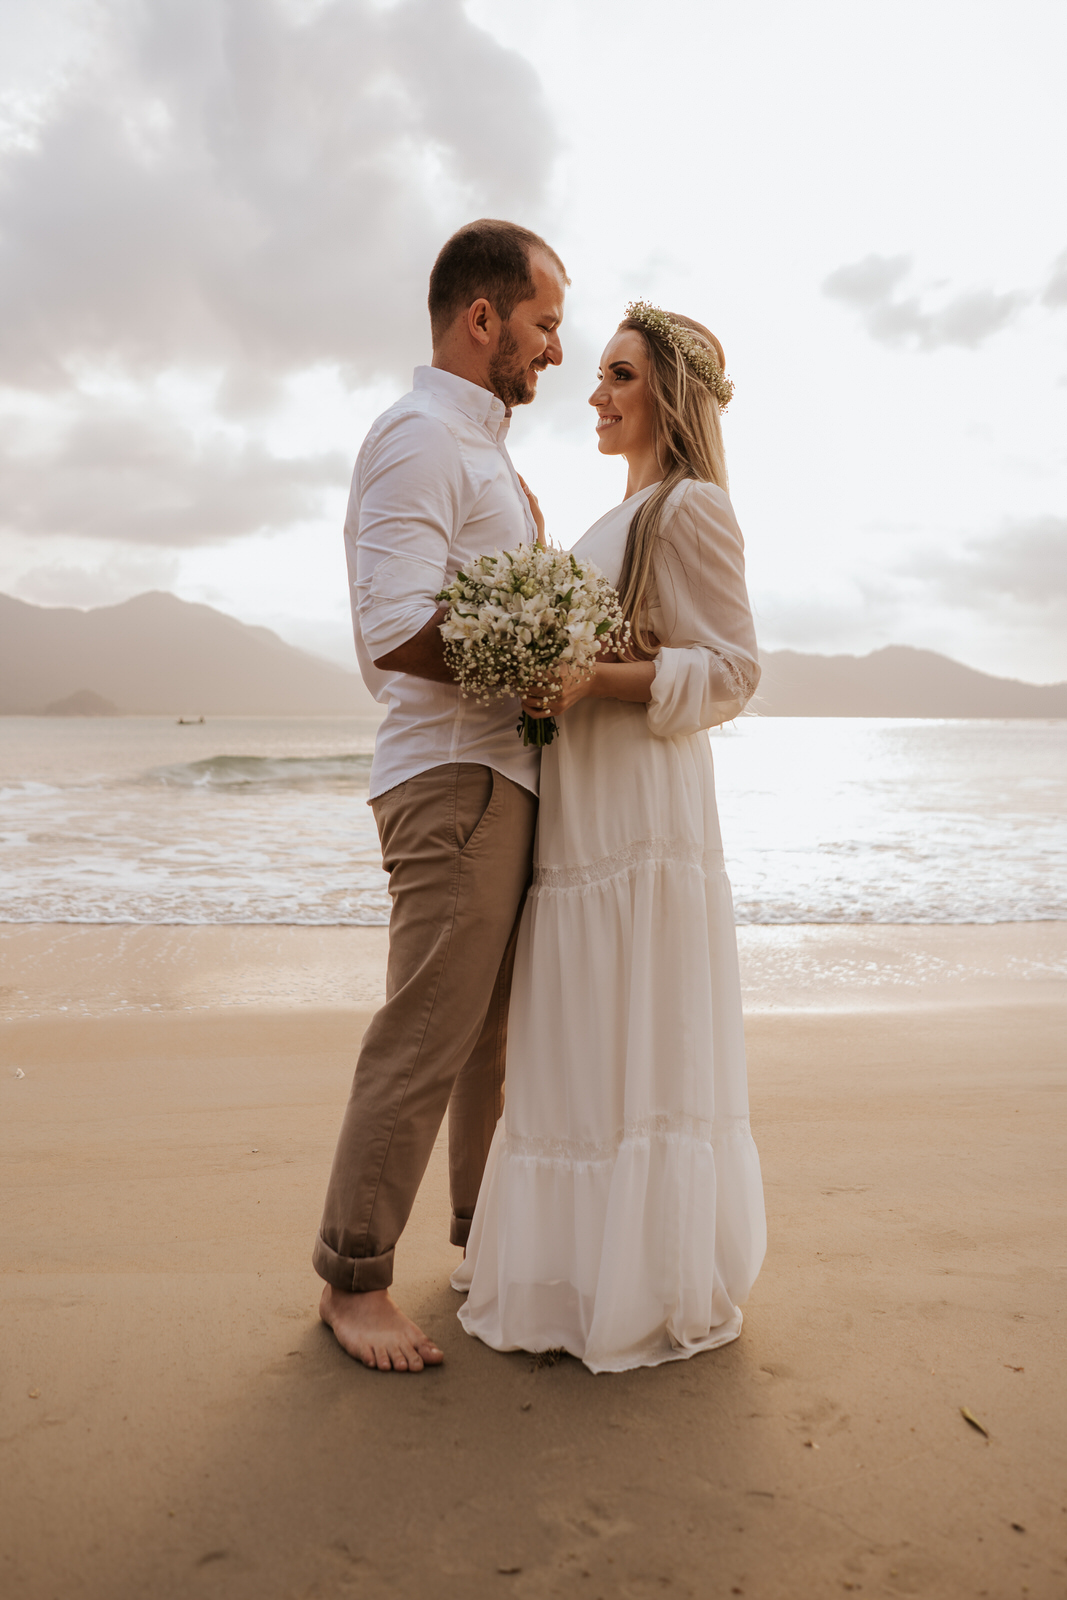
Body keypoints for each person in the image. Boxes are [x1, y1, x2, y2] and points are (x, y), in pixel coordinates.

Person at [453, 302, 766, 1372]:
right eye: (594, 373)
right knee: (581, 1028)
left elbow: (731, 670)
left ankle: (644, 1273)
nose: (594, 391)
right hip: (580, 814)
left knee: (634, 1027)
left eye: (618, 375)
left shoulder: (689, 509)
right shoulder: (610, 517)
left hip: (642, 819)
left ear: (666, 397)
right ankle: (581, 1265)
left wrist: (594, 678)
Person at [314, 219, 568, 1372]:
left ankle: (478, 1240)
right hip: (450, 775)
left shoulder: (481, 452)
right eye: (544, 322)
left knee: (487, 1039)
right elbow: (392, 627)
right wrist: (537, 663)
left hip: (500, 774)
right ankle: (354, 1277)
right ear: (483, 318)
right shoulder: (420, 438)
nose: (552, 350)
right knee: (425, 1030)